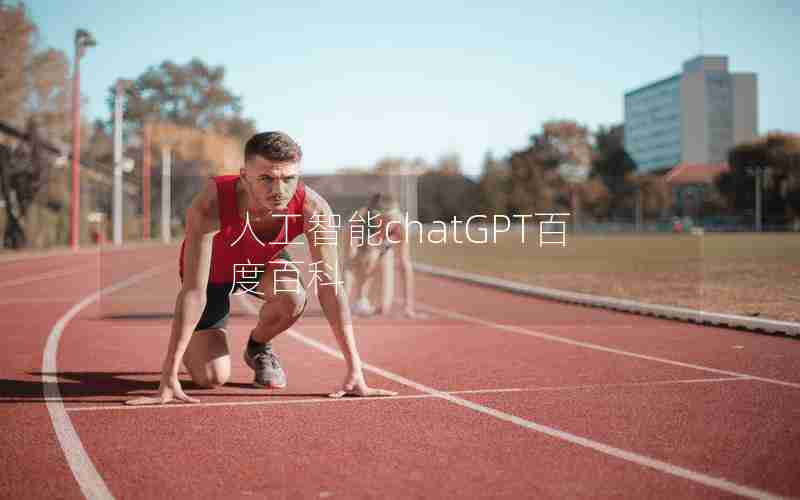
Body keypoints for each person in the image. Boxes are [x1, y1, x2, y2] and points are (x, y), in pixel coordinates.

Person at [127, 132, 396, 405]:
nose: (278, 190)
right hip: (211, 275)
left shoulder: (314, 209)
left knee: (293, 296)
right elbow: (194, 292)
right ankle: (195, 347)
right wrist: (168, 374)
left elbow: (330, 286)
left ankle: (257, 346)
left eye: (288, 179)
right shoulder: (210, 204)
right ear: (244, 176)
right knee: (211, 378)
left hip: (260, 265)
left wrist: (355, 369)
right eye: (266, 179)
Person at [343, 193, 424, 318]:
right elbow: (350, 262)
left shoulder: (400, 225)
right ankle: (358, 300)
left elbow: (404, 264)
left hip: (381, 241)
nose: (389, 222)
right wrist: (342, 305)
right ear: (376, 216)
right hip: (363, 238)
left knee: (384, 308)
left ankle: (378, 302)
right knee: (365, 260)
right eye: (385, 219)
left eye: (392, 218)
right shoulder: (360, 221)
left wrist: (408, 306)